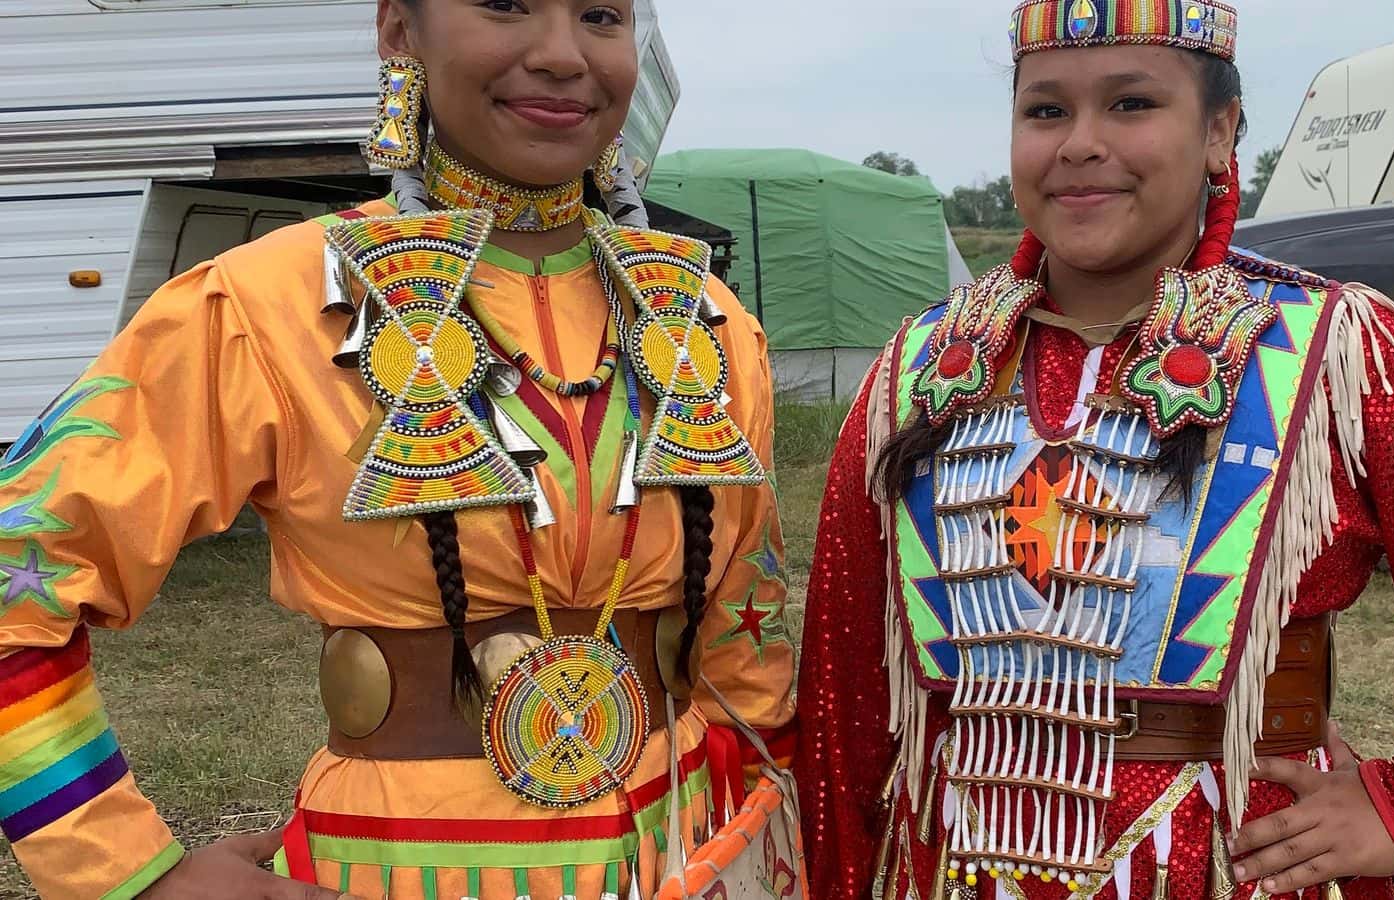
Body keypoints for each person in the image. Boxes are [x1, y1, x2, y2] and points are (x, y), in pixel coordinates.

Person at [795, 2, 1394, 899]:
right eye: (1046, 110)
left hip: (1225, 863)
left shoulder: (1331, 357)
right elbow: (846, 697)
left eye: (1133, 104)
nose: (1080, 144)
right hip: (952, 863)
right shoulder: (919, 374)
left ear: (1220, 132)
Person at [0, 1, 799, 897]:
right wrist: (131, 874)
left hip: (685, 847)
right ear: (398, 31)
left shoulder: (710, 324)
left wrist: (769, 822)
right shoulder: (267, 303)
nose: (564, 56)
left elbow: (745, 633)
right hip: (398, 864)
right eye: (505, 3)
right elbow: (14, 574)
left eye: (601, 16)